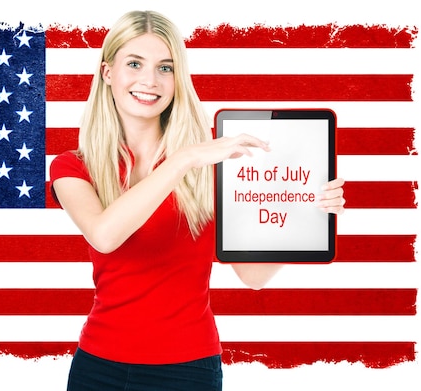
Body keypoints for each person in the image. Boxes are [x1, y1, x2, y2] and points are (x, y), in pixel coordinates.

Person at [49, 10, 346, 391]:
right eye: (135, 64)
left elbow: (252, 276)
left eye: (165, 68)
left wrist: (307, 211)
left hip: (189, 369)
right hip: (98, 368)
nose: (150, 81)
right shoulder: (73, 166)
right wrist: (185, 158)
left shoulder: (211, 164)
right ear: (108, 73)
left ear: (178, 79)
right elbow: (105, 235)